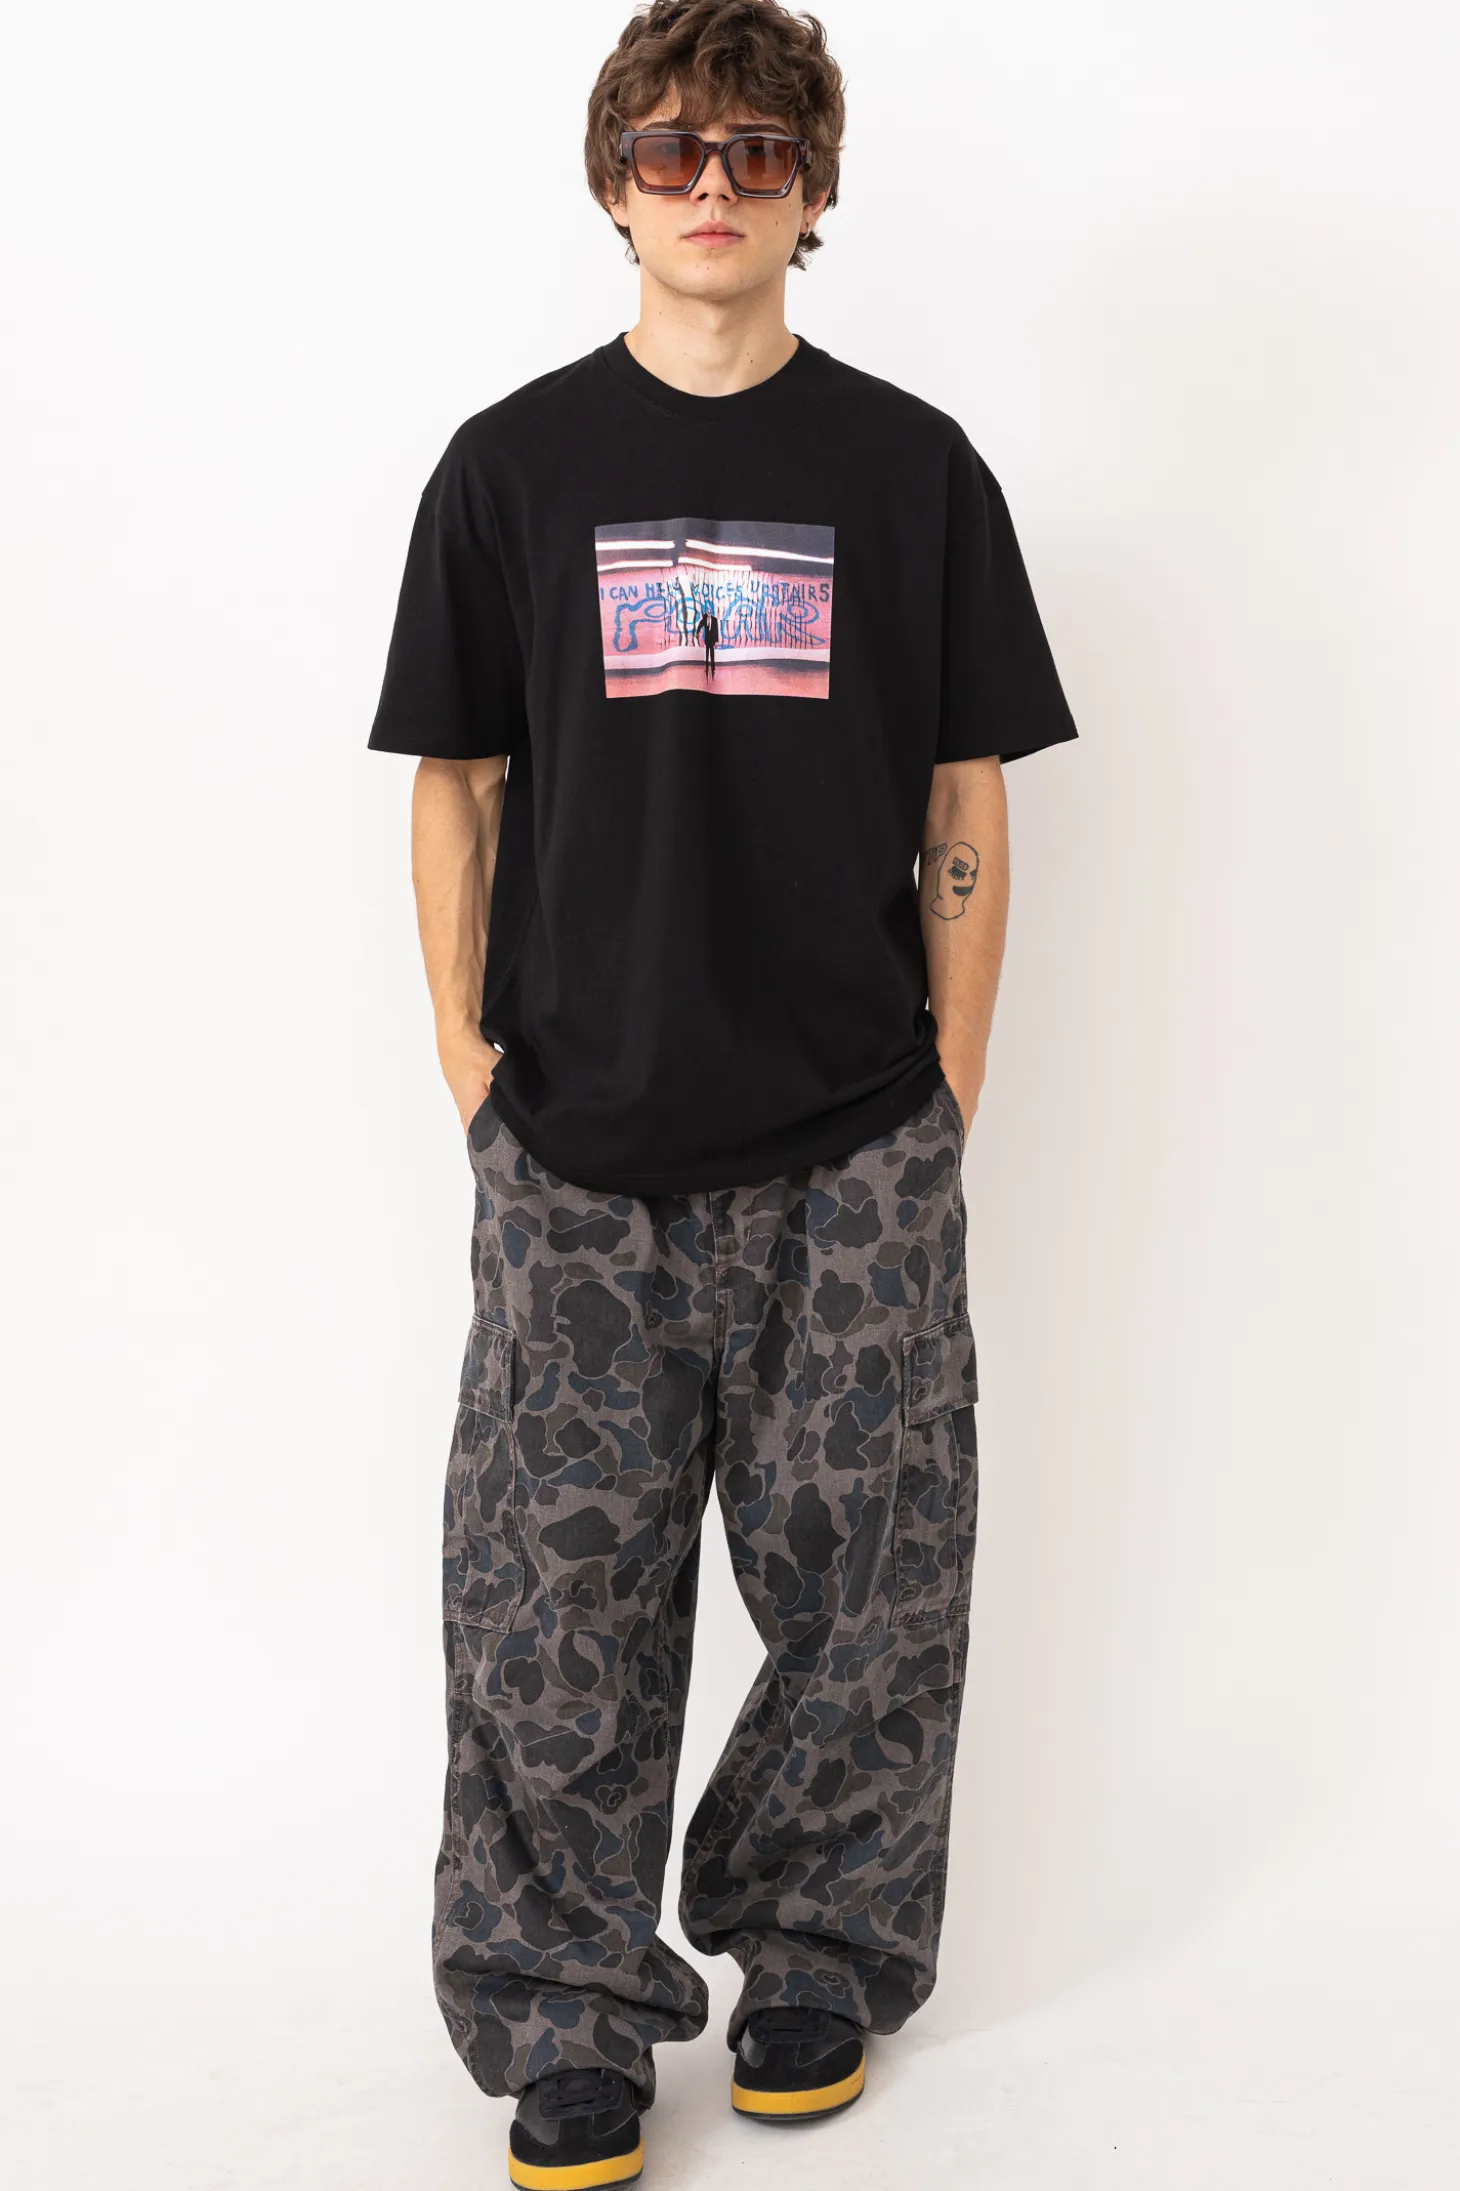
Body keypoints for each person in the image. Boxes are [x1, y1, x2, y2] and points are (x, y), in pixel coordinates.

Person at [366, 3, 1078, 2183]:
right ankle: (565, 2009)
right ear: (613, 180)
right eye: (671, 148)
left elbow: (964, 791)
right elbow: (454, 782)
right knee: (547, 1609)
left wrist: (946, 1088)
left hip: (854, 1139)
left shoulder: (913, 470)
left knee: (872, 1582)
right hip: (578, 1144)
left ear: (814, 191)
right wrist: (477, 1076)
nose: (711, 184)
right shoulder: (508, 468)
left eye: (759, 151)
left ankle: (818, 1954)